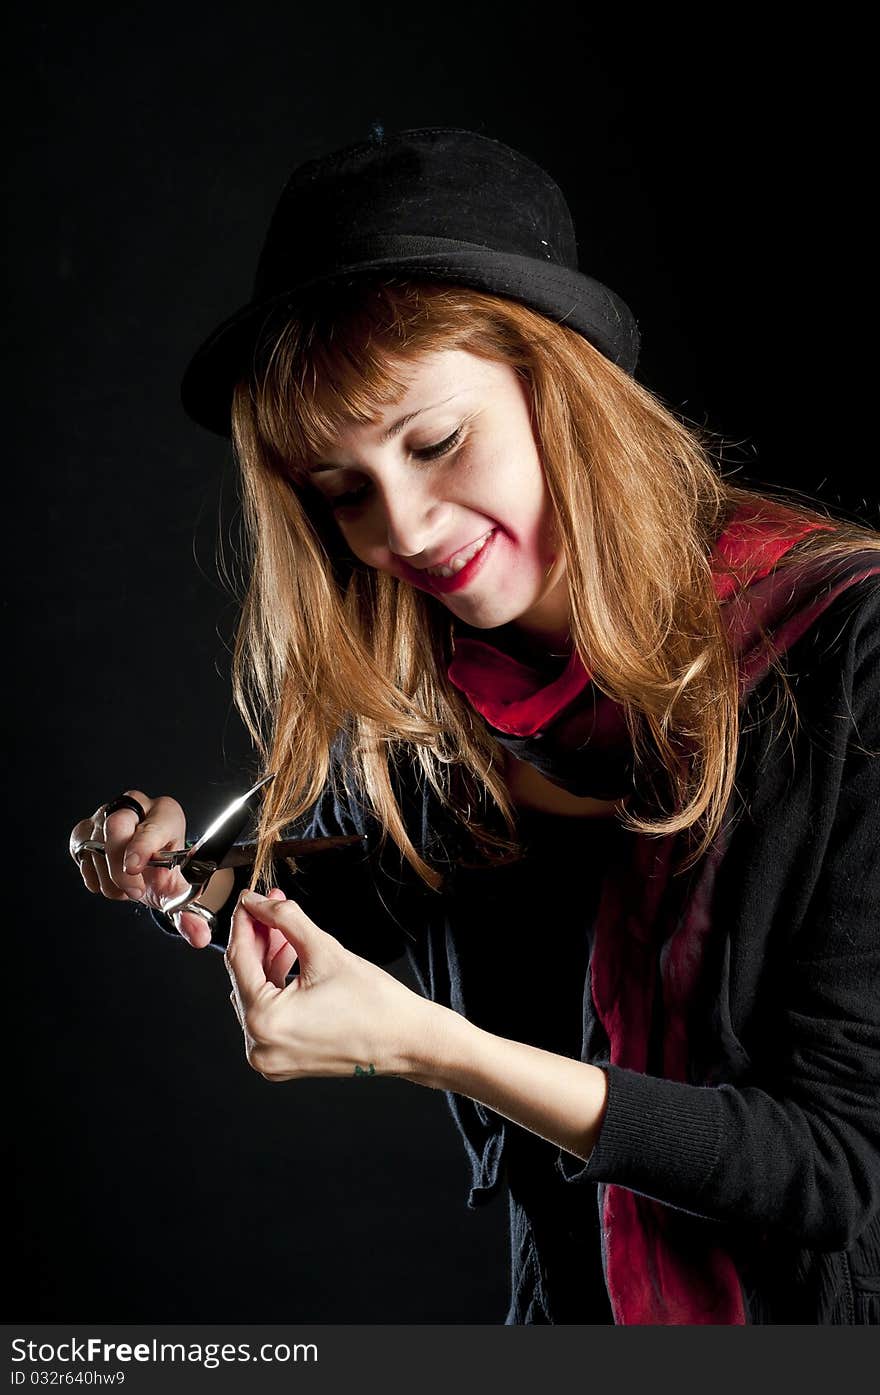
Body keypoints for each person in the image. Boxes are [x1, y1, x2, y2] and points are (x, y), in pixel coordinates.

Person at [69, 126, 880, 1325]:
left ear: (562, 388)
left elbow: (837, 1169)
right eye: (343, 491)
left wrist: (434, 1047)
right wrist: (188, 878)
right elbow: (361, 909)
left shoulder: (845, 649)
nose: (402, 528)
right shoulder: (432, 706)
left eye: (436, 442)